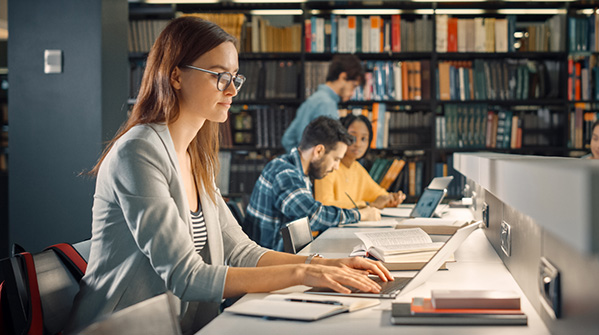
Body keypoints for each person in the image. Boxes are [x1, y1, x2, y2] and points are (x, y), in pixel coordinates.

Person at [65, 17, 392, 334]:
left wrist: (324, 265)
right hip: (118, 328)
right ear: (175, 76)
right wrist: (303, 273)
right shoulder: (138, 152)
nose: (232, 90)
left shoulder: (195, 156)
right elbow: (185, 276)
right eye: (219, 76)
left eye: (235, 77)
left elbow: (242, 252)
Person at [245, 116, 382, 251]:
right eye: (335, 159)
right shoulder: (284, 173)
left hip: (285, 259)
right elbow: (312, 216)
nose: (336, 167)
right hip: (269, 264)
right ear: (319, 151)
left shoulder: (299, 172)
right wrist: (359, 215)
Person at [314, 114, 406, 209]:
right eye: (352, 138)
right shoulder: (328, 166)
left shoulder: (357, 168)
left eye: (363, 139)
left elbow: (379, 195)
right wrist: (367, 205)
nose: (358, 144)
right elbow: (324, 205)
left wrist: (392, 198)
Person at [281, 54, 364, 151]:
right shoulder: (326, 104)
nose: (352, 93)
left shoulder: (317, 98)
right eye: (353, 86)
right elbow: (327, 149)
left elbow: (288, 139)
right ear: (343, 77)